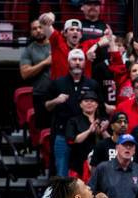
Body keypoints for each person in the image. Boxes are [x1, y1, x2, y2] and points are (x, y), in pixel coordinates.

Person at [46, 49, 102, 177]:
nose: (77, 62)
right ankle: (62, 197)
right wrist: (56, 100)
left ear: (84, 63)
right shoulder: (57, 83)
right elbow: (46, 107)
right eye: (74, 59)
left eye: (80, 59)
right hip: (63, 136)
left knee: (87, 174)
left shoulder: (92, 84)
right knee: (62, 174)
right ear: (68, 62)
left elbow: (101, 108)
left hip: (87, 137)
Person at [65, 90, 109, 180]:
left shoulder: (104, 121)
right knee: (78, 193)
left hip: (100, 163)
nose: (89, 103)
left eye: (92, 101)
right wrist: (89, 131)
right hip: (79, 163)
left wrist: (103, 131)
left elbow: (112, 141)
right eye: (86, 101)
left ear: (96, 105)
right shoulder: (73, 121)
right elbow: (73, 140)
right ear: (80, 104)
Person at [19, 20, 51, 89]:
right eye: (34, 29)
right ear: (31, 33)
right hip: (39, 93)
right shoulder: (29, 50)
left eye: (40, 27)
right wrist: (45, 62)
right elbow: (24, 74)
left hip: (59, 92)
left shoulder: (56, 44)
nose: (38, 30)